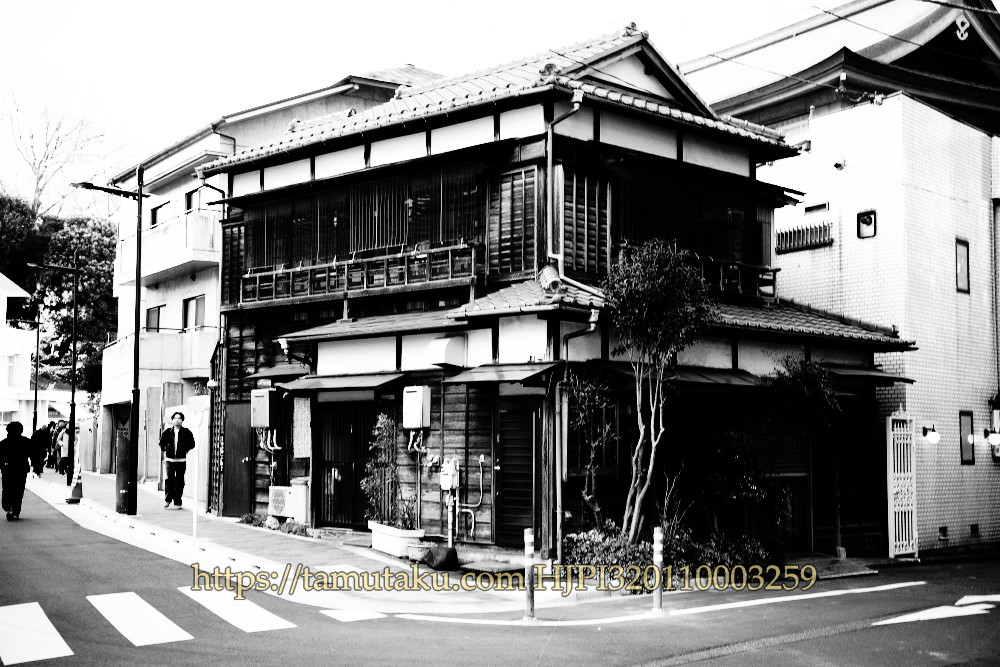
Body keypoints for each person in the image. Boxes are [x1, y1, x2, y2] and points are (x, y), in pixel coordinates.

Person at [159, 412, 195, 509]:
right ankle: (167, 499)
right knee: (169, 480)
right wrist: (166, 448)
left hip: (181, 460)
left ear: (182, 420)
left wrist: (185, 449)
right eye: (175, 418)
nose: (177, 420)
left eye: (179, 418)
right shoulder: (167, 432)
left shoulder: (186, 432)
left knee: (180, 481)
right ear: (172, 420)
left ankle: (178, 501)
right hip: (170, 460)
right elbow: (161, 443)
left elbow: (192, 443)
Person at [0, 422, 33, 520]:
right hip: (21, 469)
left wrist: (2, 466)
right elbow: (32, 453)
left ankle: (8, 506)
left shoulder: (3, 443)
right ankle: (15, 510)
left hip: (7, 470)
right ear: (21, 430)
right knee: (19, 490)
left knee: (7, 489)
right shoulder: (26, 441)